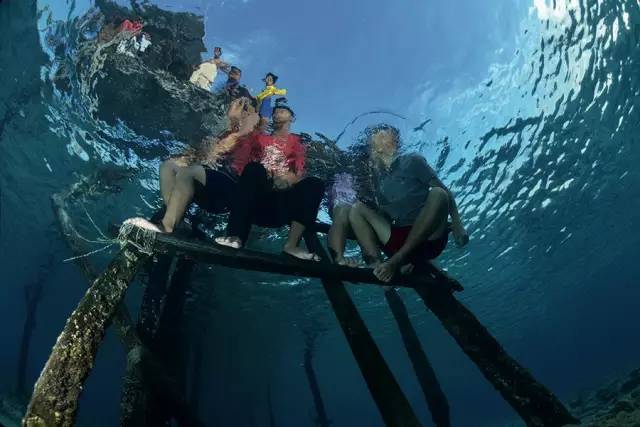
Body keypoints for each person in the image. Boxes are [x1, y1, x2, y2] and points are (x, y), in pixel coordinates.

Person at [327, 124, 469, 282]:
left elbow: (445, 192)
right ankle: (376, 266)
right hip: (402, 237)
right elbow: (384, 215)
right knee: (356, 208)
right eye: (380, 136)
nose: (386, 139)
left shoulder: (413, 160)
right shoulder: (376, 179)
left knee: (438, 193)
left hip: (431, 237)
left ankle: (397, 260)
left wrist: (457, 225)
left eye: (388, 136)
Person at [127, 96, 260, 233]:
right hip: (208, 181)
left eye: (244, 108)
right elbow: (205, 155)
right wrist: (185, 158)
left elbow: (220, 151)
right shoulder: (227, 132)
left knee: (188, 172)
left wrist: (243, 123)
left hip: (229, 189)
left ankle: (167, 227)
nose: (240, 110)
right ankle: (176, 218)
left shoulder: (253, 135)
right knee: (168, 166)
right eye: (239, 106)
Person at [215, 102, 325, 261]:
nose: (277, 114)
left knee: (315, 183)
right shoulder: (259, 137)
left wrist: (288, 180)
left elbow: (301, 171)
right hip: (255, 200)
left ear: (292, 118)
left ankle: (291, 246)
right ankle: (234, 236)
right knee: (254, 168)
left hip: (281, 206)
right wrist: (234, 121)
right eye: (275, 112)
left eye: (282, 111)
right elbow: (238, 152)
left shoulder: (299, 142)